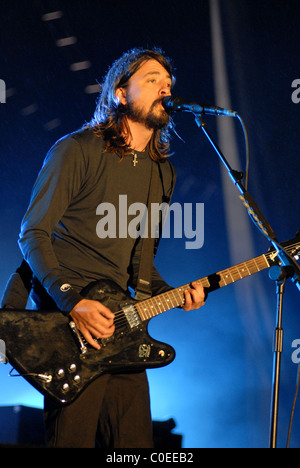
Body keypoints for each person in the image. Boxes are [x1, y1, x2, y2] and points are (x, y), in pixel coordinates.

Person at [4, 47, 206, 448]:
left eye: (168, 83)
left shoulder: (162, 171)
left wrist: (173, 294)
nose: (164, 88)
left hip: (122, 328)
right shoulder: (76, 149)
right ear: (120, 93)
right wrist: (72, 302)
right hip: (70, 324)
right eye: (151, 80)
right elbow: (32, 232)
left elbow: (141, 262)